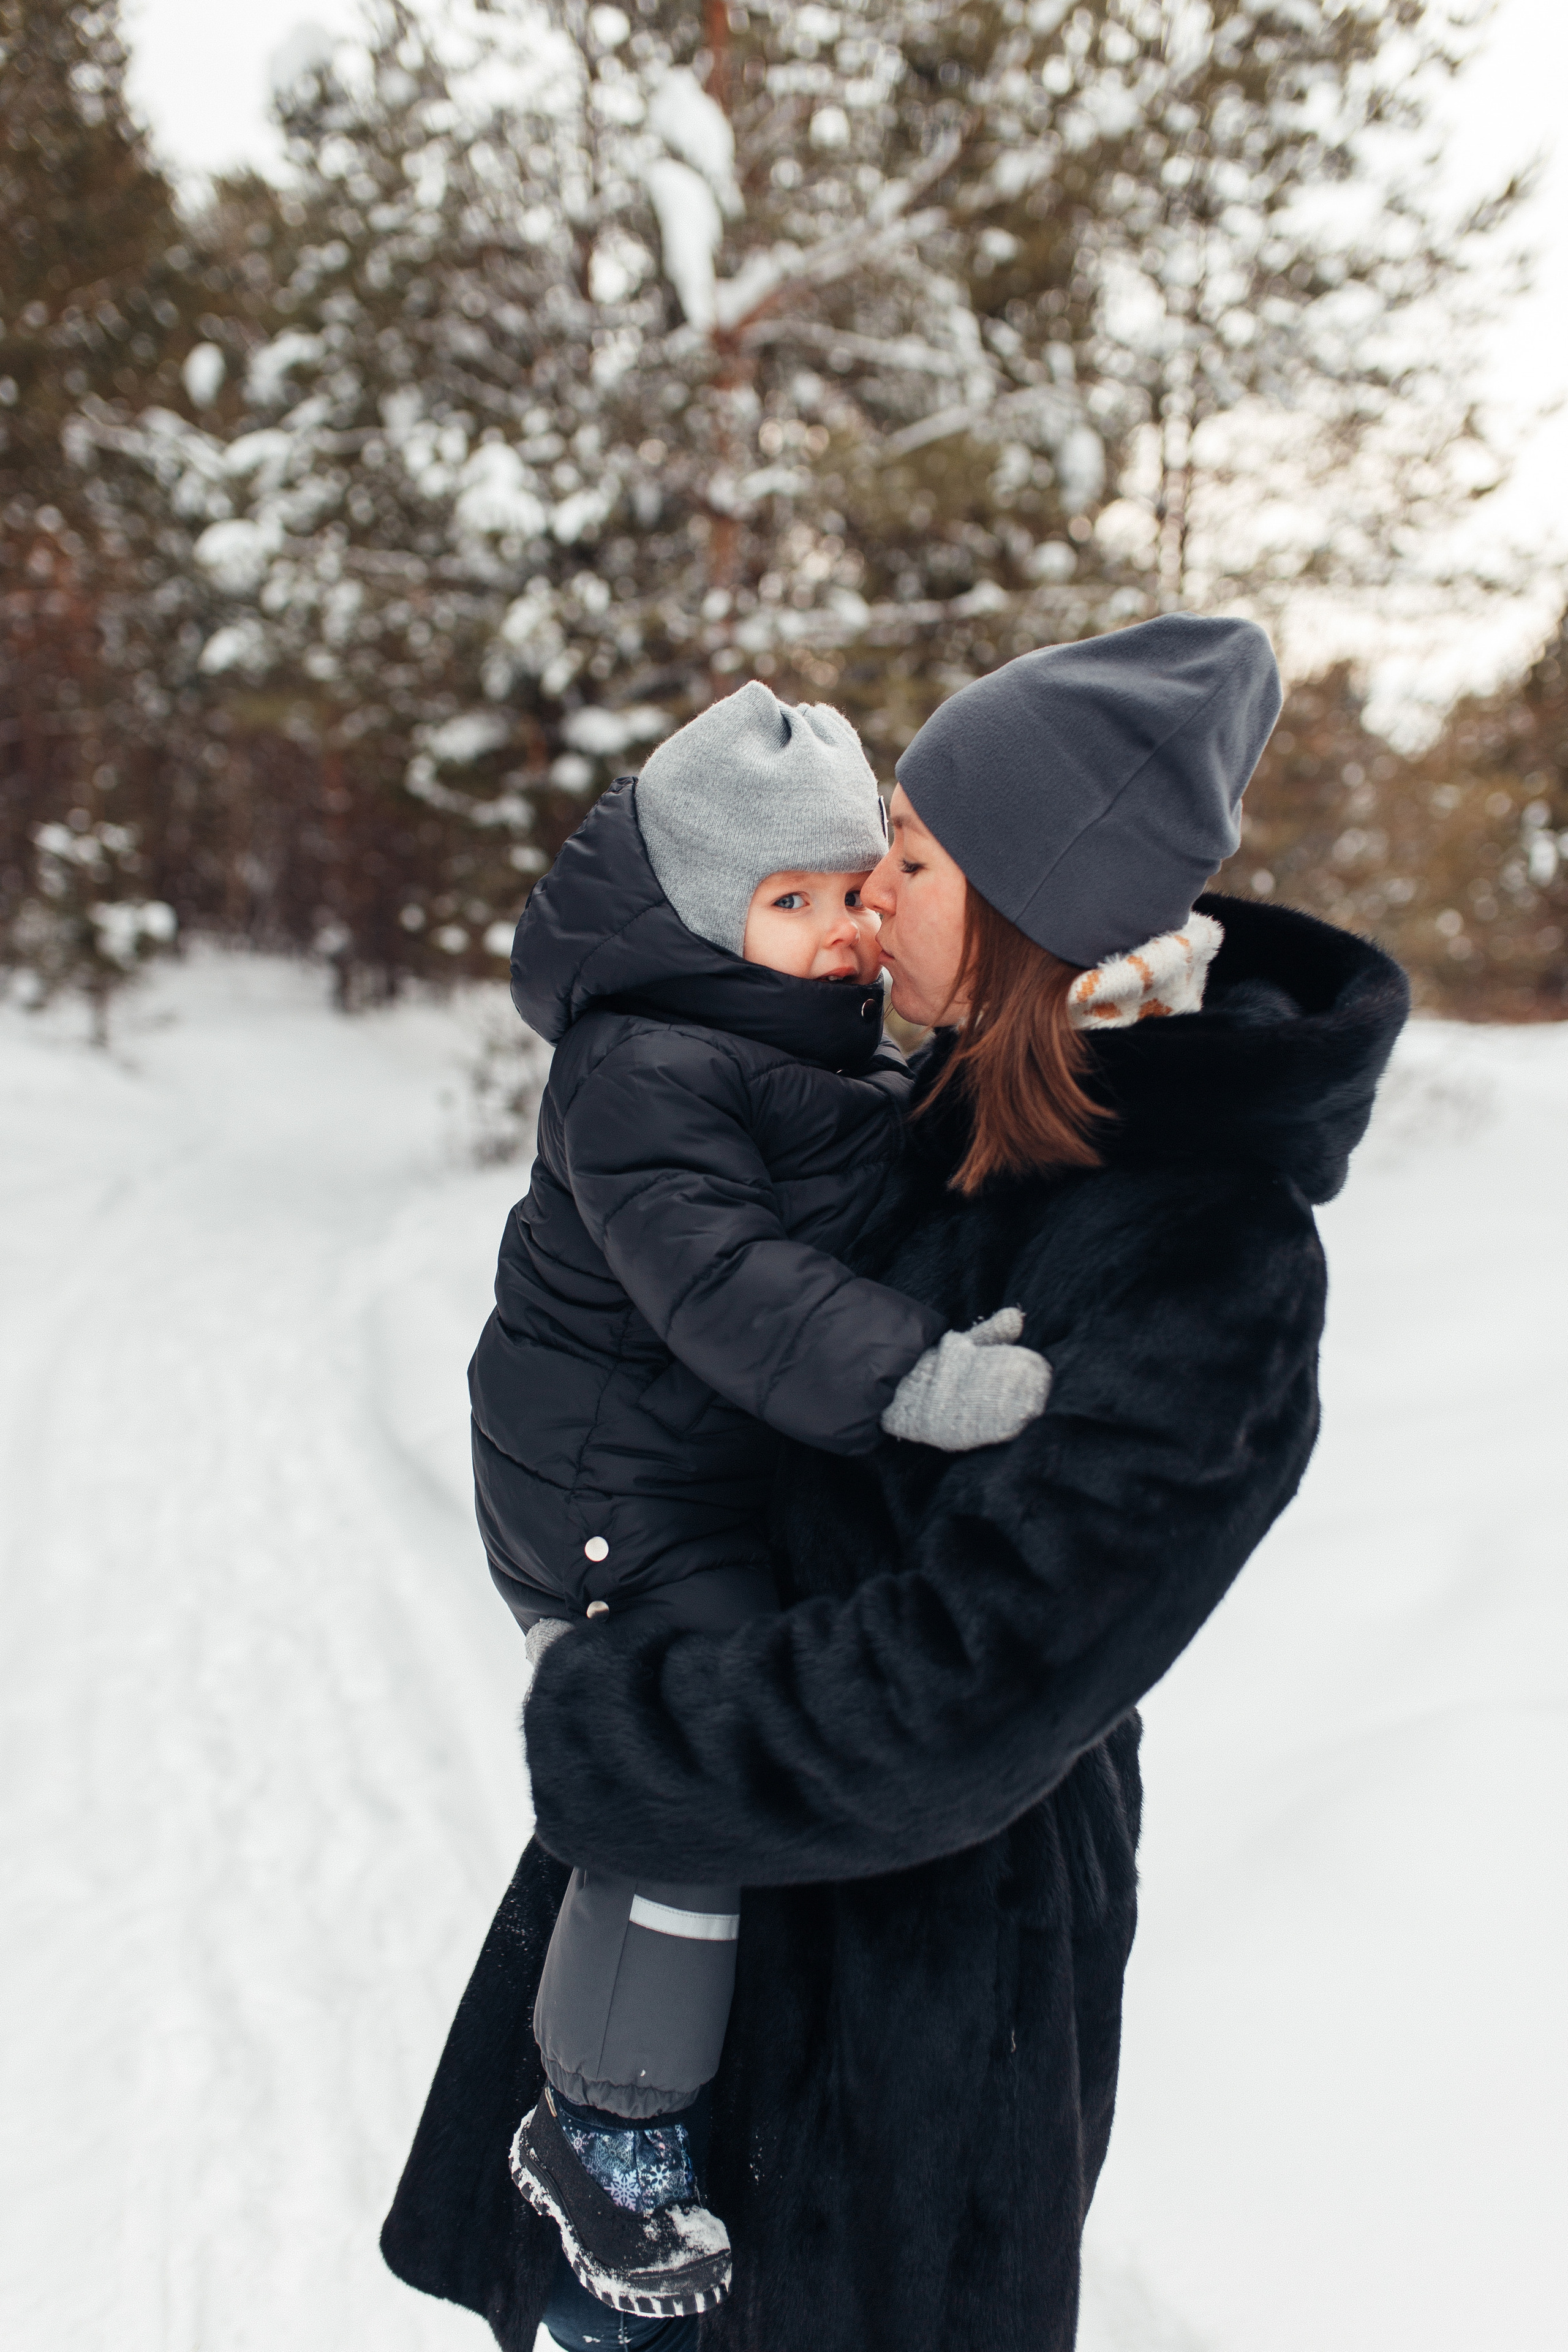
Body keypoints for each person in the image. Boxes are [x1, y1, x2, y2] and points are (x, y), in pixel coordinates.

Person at [383, 614, 1411, 2352]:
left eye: (914, 857)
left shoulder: (1198, 1249)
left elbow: (975, 1684)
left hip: (913, 2022)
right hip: (709, 1925)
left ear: (1025, 900)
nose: (871, 891)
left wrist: (638, 1730)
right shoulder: (934, 1091)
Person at [469, 681, 1051, 2324]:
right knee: (698, 1755)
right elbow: (724, 1278)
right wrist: (906, 1379)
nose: (842, 934)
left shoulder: (809, 1045)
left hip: (703, 1470)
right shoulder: (641, 1068)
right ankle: (603, 2130)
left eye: (850, 894)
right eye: (784, 905)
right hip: (609, 1492)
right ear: (691, 917)